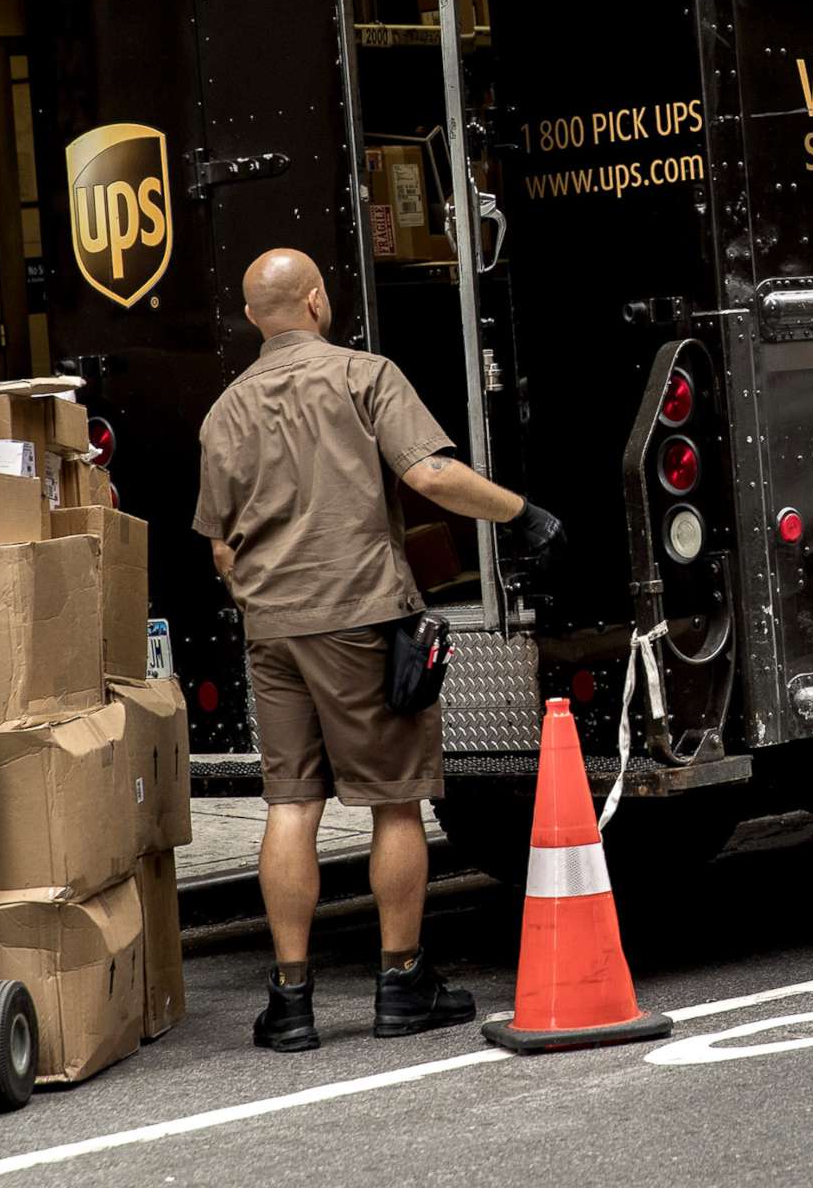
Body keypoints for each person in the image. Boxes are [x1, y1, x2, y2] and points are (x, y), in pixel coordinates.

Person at [193, 247, 561, 1052]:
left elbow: (220, 548)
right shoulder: (366, 376)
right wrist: (520, 514)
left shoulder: (223, 411)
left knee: (290, 806)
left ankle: (290, 1003)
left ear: (255, 318)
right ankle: (402, 985)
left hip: (272, 629)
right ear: (318, 302)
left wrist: (265, 593)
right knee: (394, 801)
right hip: (360, 616)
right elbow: (430, 477)